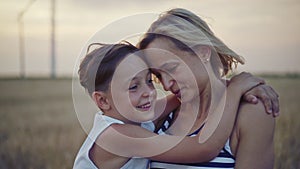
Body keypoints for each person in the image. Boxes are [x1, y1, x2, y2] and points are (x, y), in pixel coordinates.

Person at [73, 41, 267, 169]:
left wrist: (232, 85)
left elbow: (187, 92)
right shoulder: (117, 136)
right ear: (103, 101)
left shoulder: (135, 115)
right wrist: (234, 92)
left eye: (149, 80)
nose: (148, 92)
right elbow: (204, 148)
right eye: (133, 86)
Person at [137, 8, 276, 169]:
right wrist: (236, 87)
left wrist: (235, 88)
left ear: (203, 52)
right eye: (159, 76)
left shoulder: (250, 112)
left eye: (172, 68)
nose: (167, 85)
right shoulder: (160, 116)